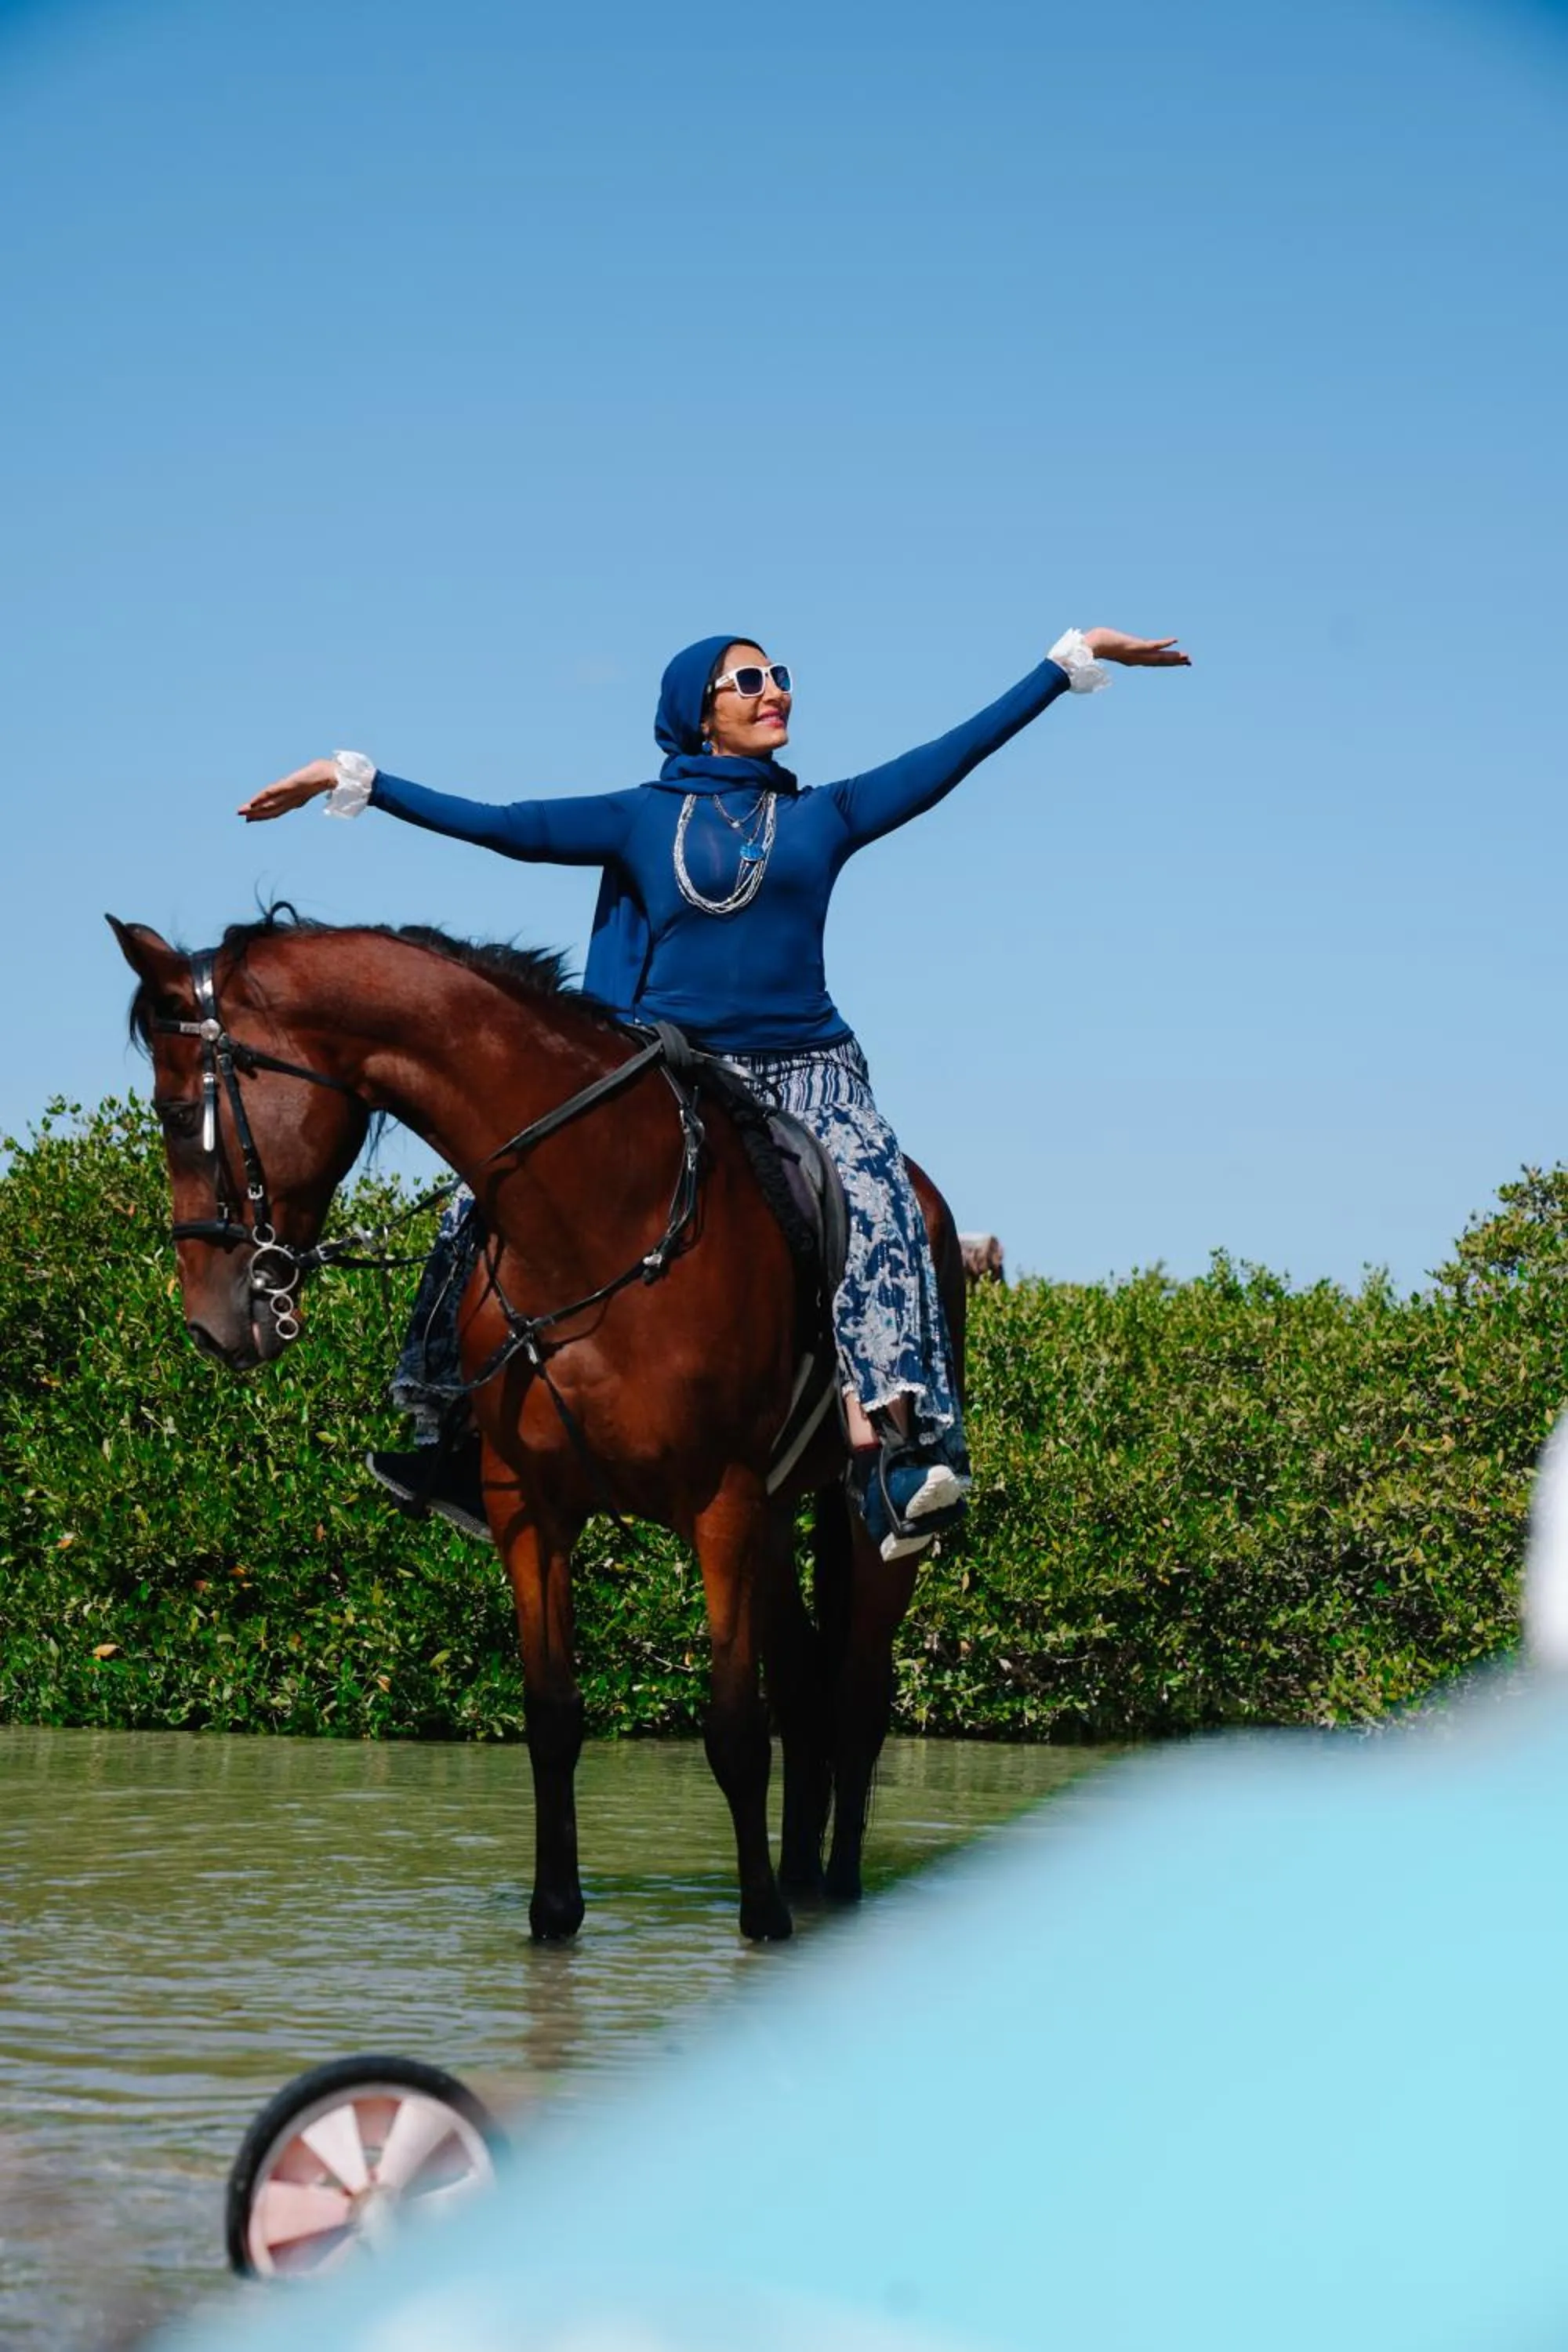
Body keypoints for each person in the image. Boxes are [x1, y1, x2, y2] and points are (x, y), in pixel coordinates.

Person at [239, 624, 1189, 1559]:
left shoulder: (828, 812)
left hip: (806, 1070)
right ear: (699, 716)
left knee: (880, 1203)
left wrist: (1062, 669)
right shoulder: (642, 816)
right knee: (485, 1195)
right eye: (748, 682)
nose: (774, 691)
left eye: (777, 675)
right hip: (664, 1063)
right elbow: (507, 826)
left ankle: (896, 1452)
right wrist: (358, 781)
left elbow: (950, 758)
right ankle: (451, 1431)